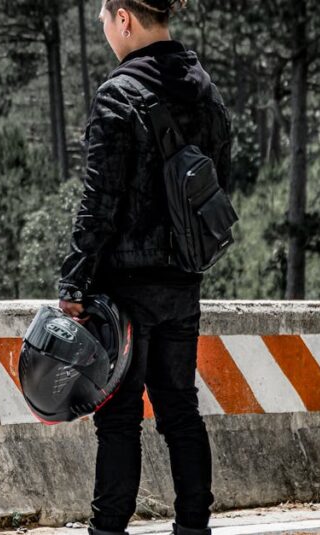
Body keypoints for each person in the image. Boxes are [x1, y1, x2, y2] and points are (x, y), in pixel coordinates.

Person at [57, 1, 232, 534]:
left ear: (124, 18)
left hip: (124, 289)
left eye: (106, 20)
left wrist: (74, 280)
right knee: (180, 409)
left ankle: (108, 529)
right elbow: (217, 185)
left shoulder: (118, 95)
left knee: (119, 420)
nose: (107, 31)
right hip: (182, 279)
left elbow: (99, 203)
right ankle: (193, 527)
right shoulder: (206, 91)